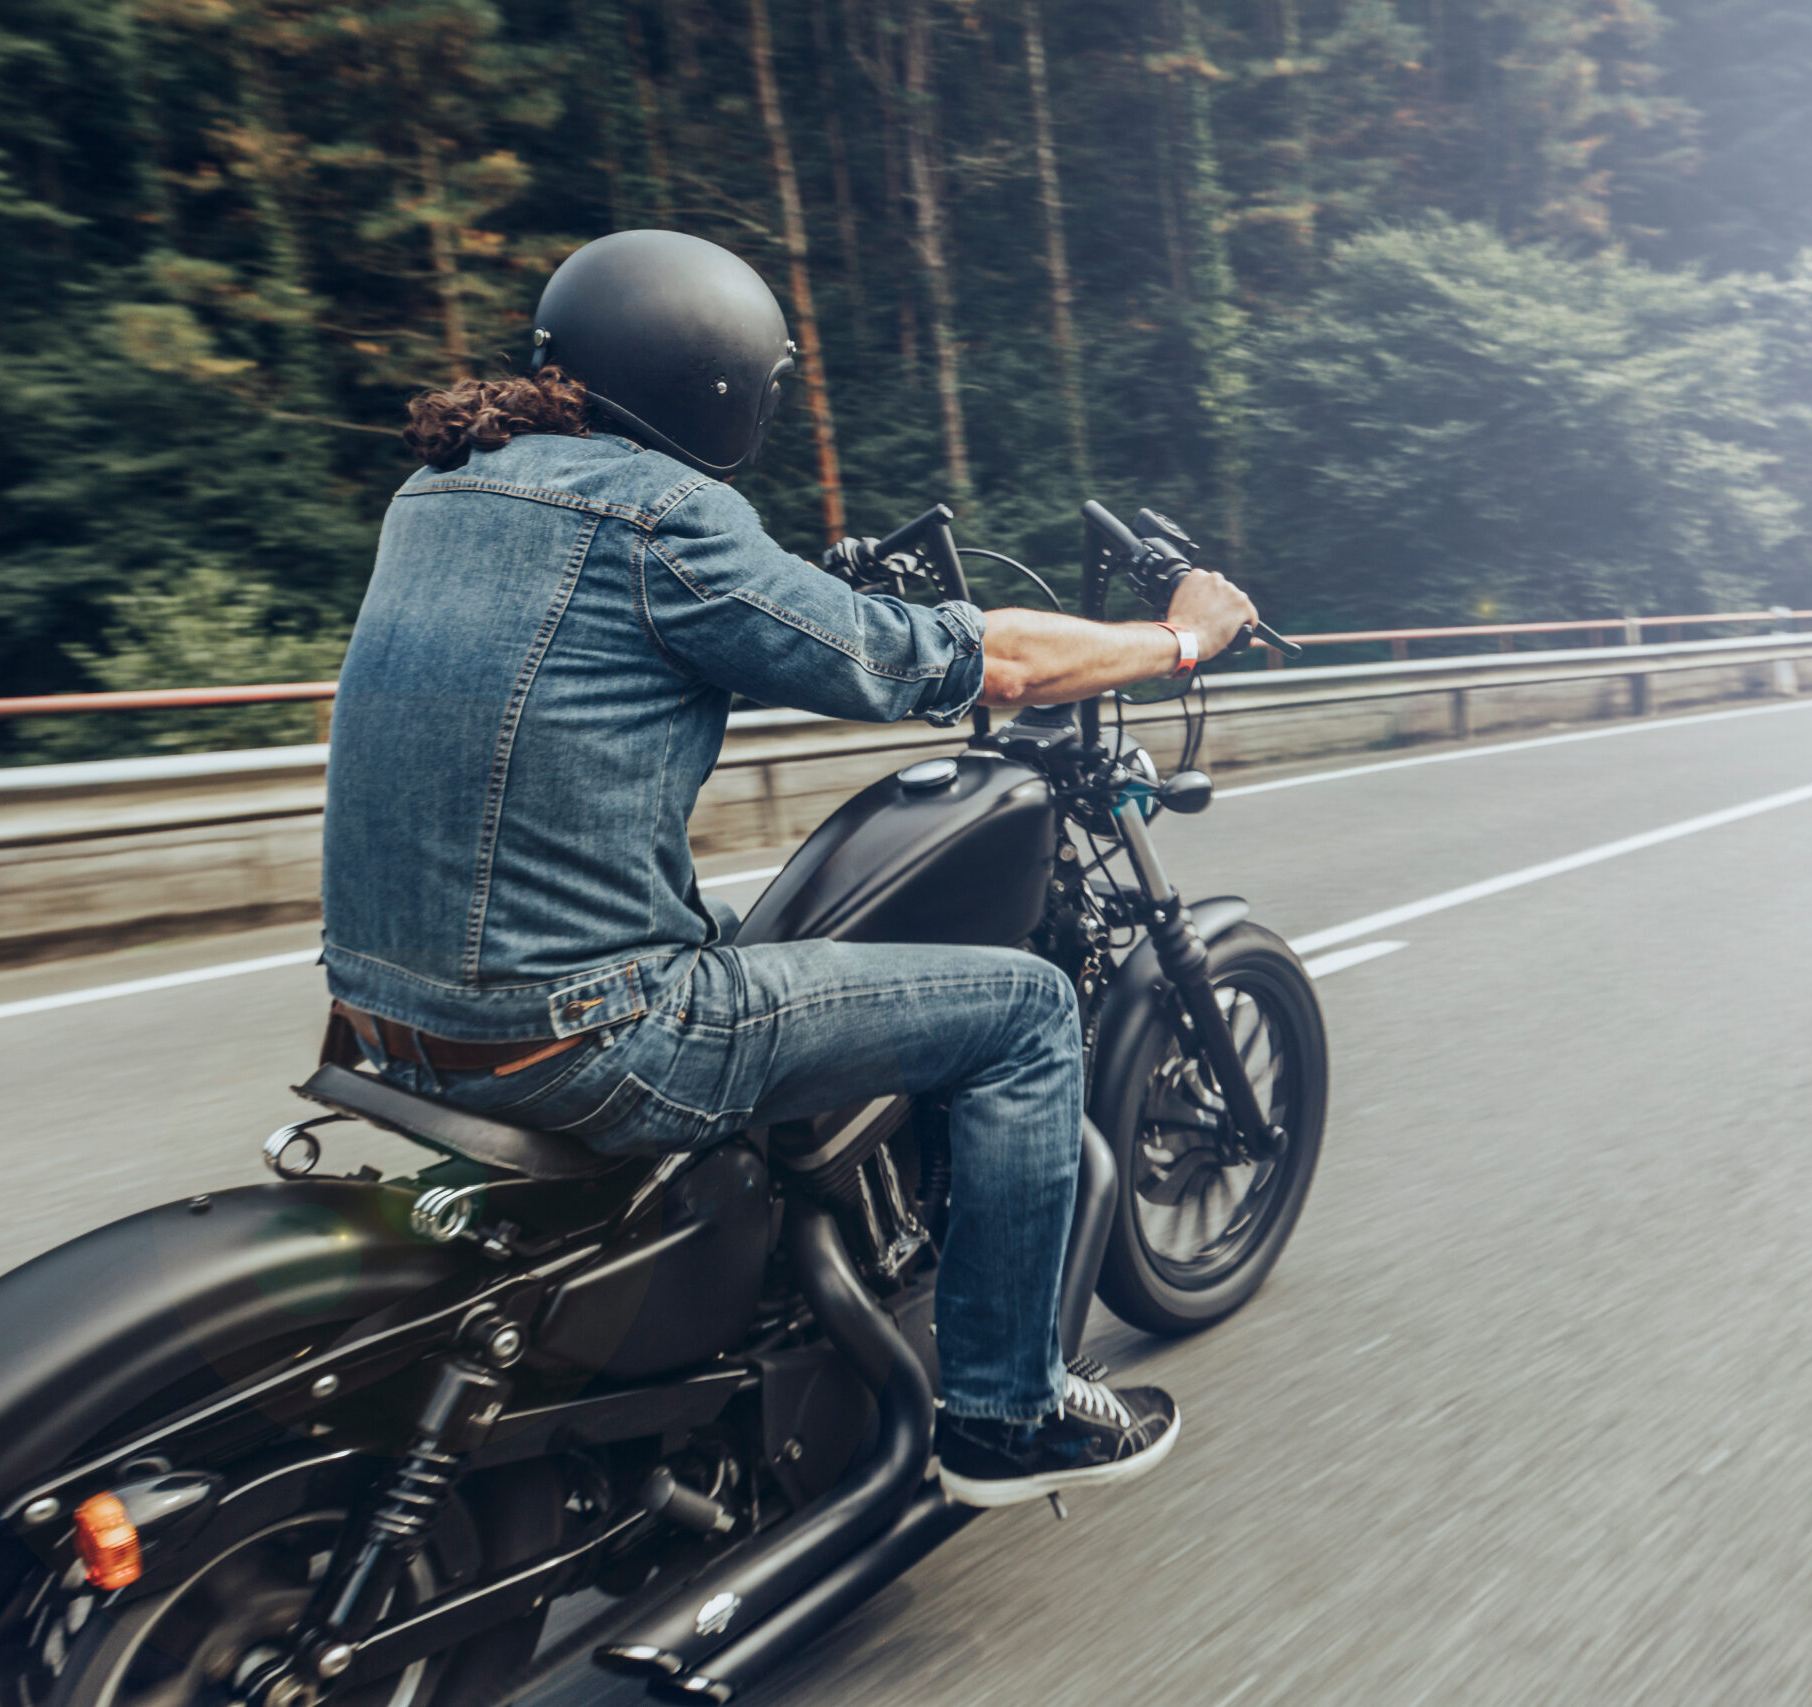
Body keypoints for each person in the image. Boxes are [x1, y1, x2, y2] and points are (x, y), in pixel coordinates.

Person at [318, 230, 1258, 1507]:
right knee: (1027, 1014)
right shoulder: (669, 518)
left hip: (381, 1009)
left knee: (746, 923)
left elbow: (620, 637)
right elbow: (996, 667)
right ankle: (1005, 1410)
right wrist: (1178, 640)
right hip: (579, 1029)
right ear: (721, 384)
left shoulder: (443, 493)